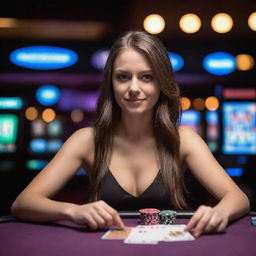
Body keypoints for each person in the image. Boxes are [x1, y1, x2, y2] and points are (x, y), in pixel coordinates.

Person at [11, 30, 250, 237]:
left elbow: (238, 198)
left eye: (147, 77)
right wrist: (73, 210)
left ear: (161, 83)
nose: (134, 88)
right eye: (123, 77)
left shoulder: (183, 140)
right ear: (111, 84)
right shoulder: (87, 140)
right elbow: (23, 203)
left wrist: (218, 212)